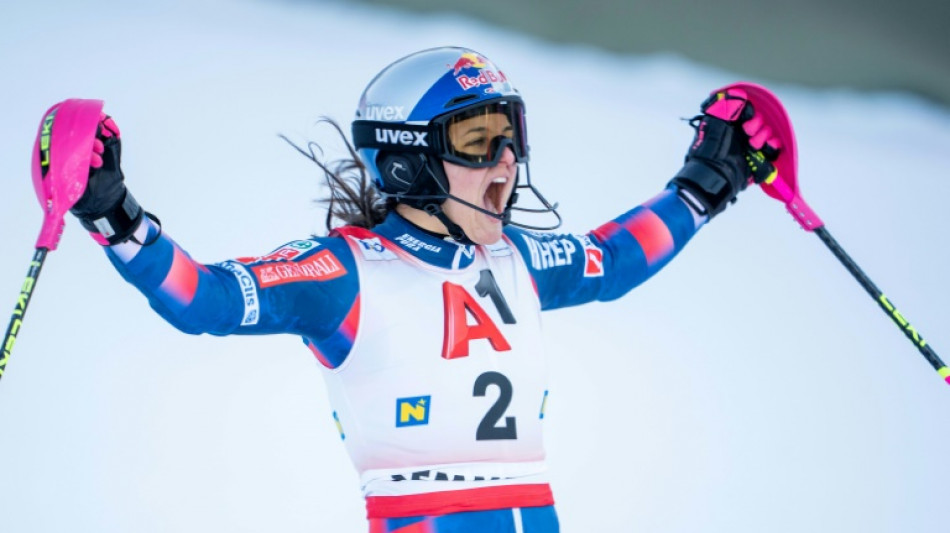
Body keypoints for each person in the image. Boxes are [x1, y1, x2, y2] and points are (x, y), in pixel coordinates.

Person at [65, 47, 778, 532]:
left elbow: (615, 258)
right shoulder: (347, 272)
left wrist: (705, 185)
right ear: (406, 163)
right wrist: (115, 216)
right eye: (475, 139)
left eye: (510, 134)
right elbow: (207, 299)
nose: (504, 161)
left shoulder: (517, 259)